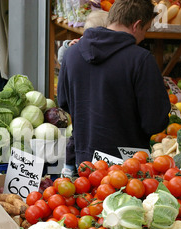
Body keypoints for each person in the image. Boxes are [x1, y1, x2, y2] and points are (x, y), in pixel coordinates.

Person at [57, 0, 170, 167]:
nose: (144, 36)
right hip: (130, 167)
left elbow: (64, 103)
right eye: (145, 30)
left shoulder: (71, 54)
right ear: (136, 25)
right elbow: (154, 122)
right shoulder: (141, 60)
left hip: (85, 163)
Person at [57, 10, 109, 177]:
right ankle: (70, 170)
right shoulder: (107, 52)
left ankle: (68, 171)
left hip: (79, 107)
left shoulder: (75, 49)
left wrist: (67, 47)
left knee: (75, 138)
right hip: (98, 108)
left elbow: (62, 57)